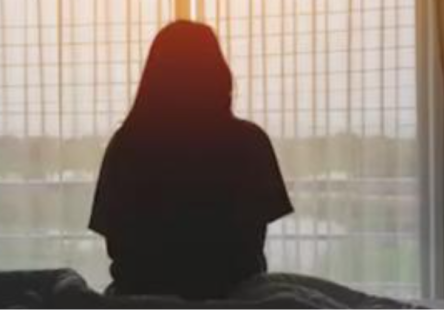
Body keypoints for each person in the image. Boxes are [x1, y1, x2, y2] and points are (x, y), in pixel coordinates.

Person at [88, 20, 293, 300]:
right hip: (233, 293)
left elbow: (116, 241)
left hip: (140, 293)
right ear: (219, 74)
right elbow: (252, 238)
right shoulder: (250, 143)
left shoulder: (126, 145)